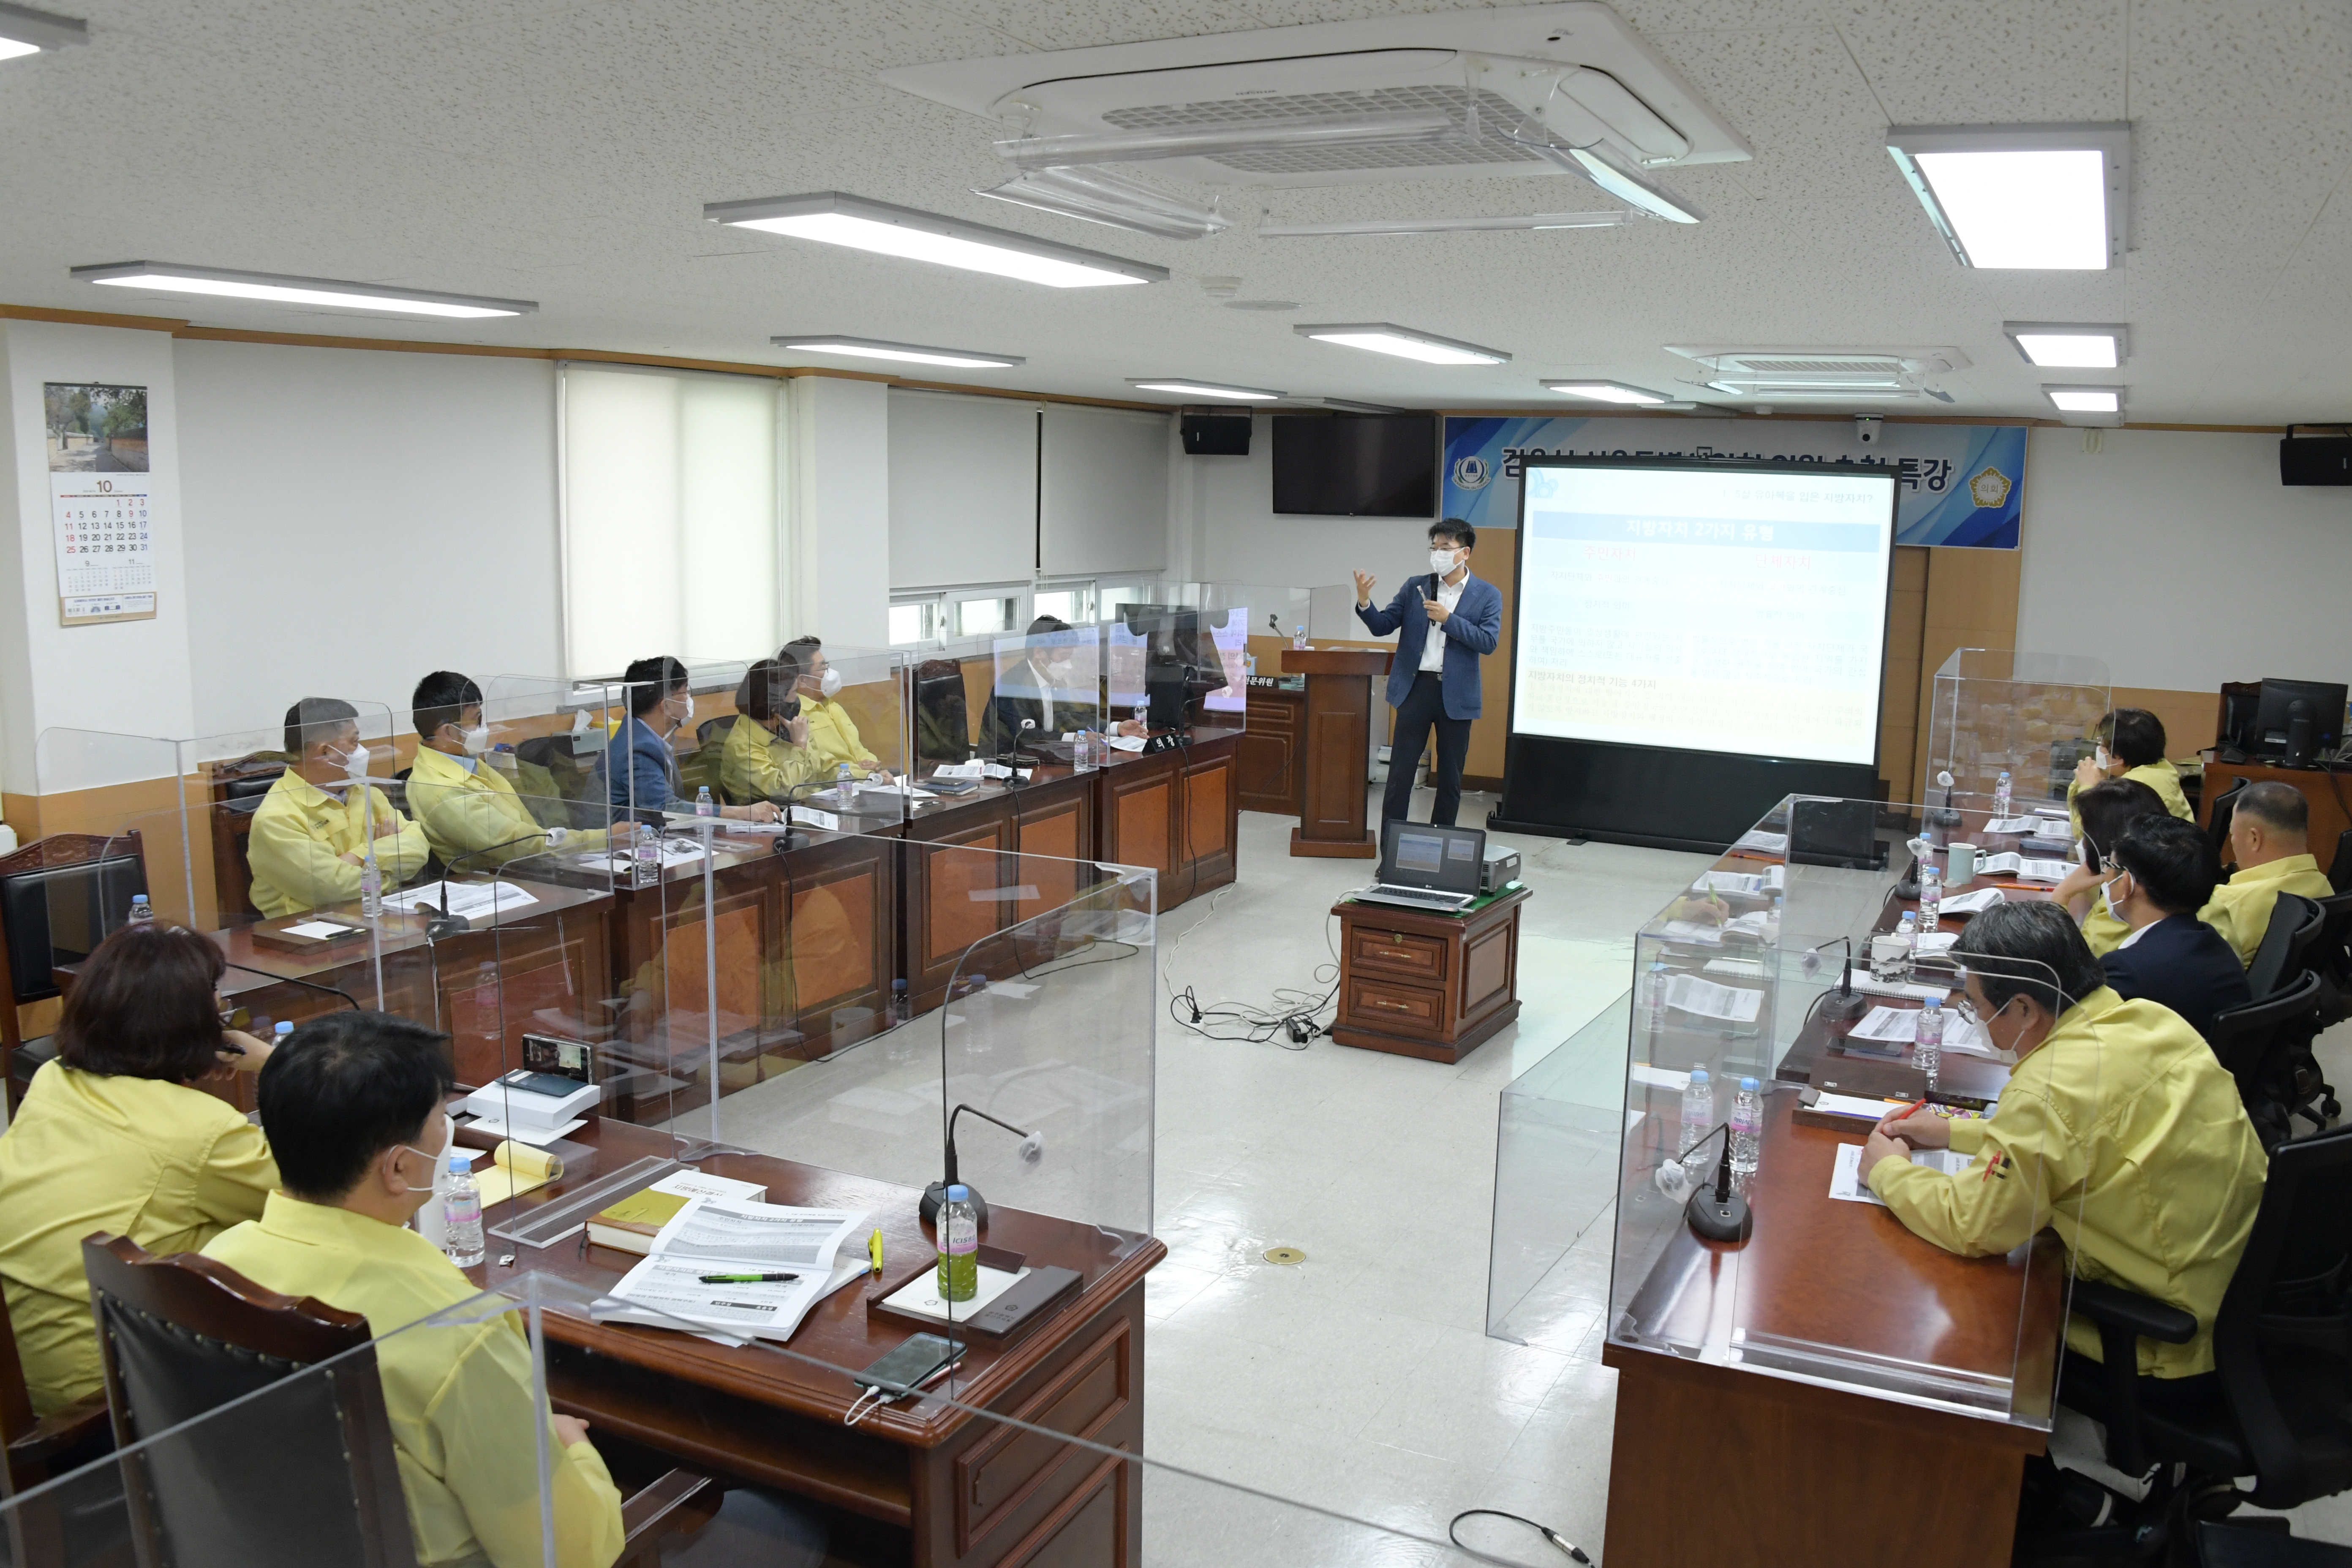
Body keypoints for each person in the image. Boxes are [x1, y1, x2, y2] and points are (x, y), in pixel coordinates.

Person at [201, 1012, 624, 1568]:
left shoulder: (213, 1267)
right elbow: (569, 1556)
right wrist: (574, 1449)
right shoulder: (456, 1331)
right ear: (398, 1168)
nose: (446, 1128)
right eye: (441, 1117)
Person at [1864, 901, 2265, 1385]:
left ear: (2023, 1009)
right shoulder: (2152, 1020)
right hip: (2232, 1290)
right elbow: (2081, 1136)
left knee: (1946, 1317)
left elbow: (1974, 1225)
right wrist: (1953, 1132)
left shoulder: (2047, 1089)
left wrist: (1887, 1171)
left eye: (1976, 1006)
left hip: (2162, 1338)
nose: (1974, 1017)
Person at [0, 924, 276, 1417]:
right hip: (110, 1400)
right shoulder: (200, 1130)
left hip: (29, 1374)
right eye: (214, 1000)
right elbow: (320, 1187)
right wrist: (275, 1063)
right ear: (190, 1022)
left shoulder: (53, 1079)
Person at [1354, 518, 1502, 828]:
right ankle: (1392, 848)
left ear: (1465, 553)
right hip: (1416, 690)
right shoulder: (1416, 586)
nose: (1438, 554)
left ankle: (1440, 846)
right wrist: (1365, 602)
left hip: (1457, 695)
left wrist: (1449, 619)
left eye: (1445, 548)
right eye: (1434, 548)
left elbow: (1488, 642)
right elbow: (1383, 626)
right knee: (1400, 776)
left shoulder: (1488, 594)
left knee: (1450, 779)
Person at [249, 696, 430, 918]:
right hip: (306, 928)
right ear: (325, 752)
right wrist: (390, 869)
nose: (362, 750)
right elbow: (333, 889)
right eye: (354, 742)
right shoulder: (277, 818)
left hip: (378, 914)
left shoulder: (365, 793)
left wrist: (357, 858)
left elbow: (418, 847)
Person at [406, 671, 603, 869]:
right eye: (477, 720)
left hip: (533, 863)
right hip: (500, 877)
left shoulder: (462, 760)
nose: (483, 727)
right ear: (448, 732)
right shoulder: (442, 791)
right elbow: (517, 842)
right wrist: (602, 839)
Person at [2096, 815, 2251, 1041]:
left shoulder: (2127, 971)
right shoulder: (2211, 940)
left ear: (2127, 883)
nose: (2105, 876)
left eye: (2109, 866)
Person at [596, 655, 779, 826]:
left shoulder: (643, 734)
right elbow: (667, 809)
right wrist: (740, 813)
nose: (689, 699)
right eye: (685, 692)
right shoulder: (638, 750)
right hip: (627, 842)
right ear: (666, 705)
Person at [2200, 780, 2334, 965]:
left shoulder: (2226, 904)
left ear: (2254, 839)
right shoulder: (2324, 887)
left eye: (2233, 833)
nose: (2233, 842)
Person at [979, 616, 1138, 756]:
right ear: (1039, 653)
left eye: (1069, 657)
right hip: (1006, 762)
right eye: (1063, 656)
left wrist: (1116, 728)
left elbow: (1071, 717)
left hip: (1044, 756)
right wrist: (1075, 738)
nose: (1068, 665)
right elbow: (1027, 736)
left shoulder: (1054, 679)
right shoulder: (1011, 686)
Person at [2048, 777, 2167, 957]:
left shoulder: (2122, 905)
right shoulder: (2167, 880)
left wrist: (2060, 897)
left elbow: (2070, 963)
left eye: (2089, 834)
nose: (2085, 843)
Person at [778, 636, 890, 780]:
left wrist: (873, 765)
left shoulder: (831, 705)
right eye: (823, 668)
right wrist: (861, 773)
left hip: (863, 779)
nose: (829, 672)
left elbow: (857, 748)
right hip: (835, 786)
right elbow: (822, 768)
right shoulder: (797, 717)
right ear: (803, 680)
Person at [2067, 708, 2193, 836]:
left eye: (2102, 744)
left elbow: (2087, 835)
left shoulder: (2136, 787)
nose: (2099, 748)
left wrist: (2087, 788)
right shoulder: (2162, 769)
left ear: (2119, 757)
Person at [720, 657, 824, 805]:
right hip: (773, 813)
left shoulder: (787, 725)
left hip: (812, 802)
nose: (798, 699)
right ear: (776, 704)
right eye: (795, 692)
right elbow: (786, 791)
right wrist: (800, 745)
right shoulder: (742, 747)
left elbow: (819, 769)